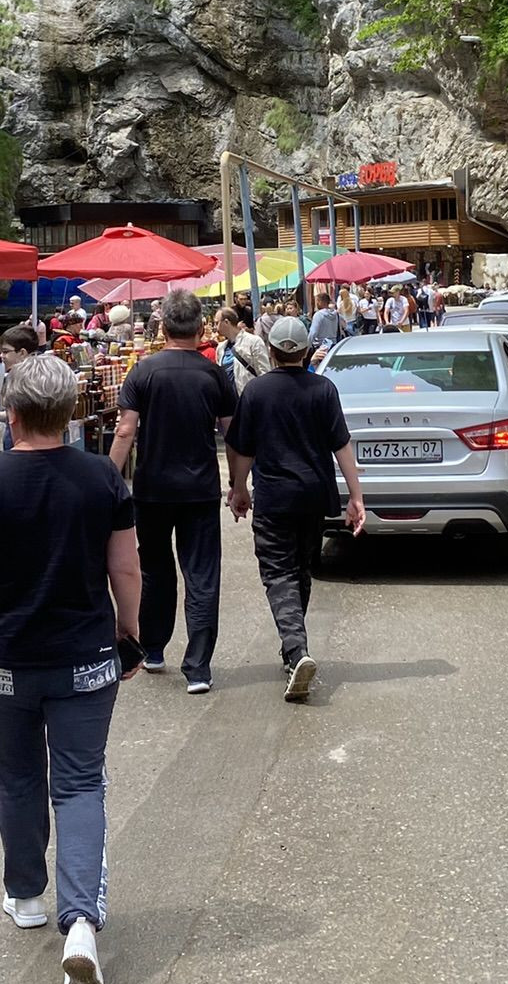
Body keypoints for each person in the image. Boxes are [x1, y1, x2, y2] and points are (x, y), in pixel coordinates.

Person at [0, 353, 140, 984]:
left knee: (16, 778)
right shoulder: (103, 479)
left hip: (3, 662)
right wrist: (129, 634)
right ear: (72, 412)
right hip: (83, 660)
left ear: (11, 413)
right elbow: (126, 569)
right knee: (79, 784)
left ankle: (25, 896)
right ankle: (81, 924)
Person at [224, 316, 367, 702]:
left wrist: (238, 489)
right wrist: (357, 497)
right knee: (300, 569)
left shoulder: (256, 392)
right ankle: (293, 651)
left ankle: (296, 649)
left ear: (270, 351)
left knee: (278, 573)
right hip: (314, 497)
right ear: (306, 353)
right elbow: (342, 445)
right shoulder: (323, 389)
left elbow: (243, 449)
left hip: (274, 497)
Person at [110, 289, 239, 693]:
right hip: (200, 489)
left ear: (162, 326)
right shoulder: (214, 374)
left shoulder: (143, 372)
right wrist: (239, 485)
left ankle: (153, 649)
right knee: (201, 574)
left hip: (152, 489)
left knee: (154, 569)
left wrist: (108, 482)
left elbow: (126, 430)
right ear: (201, 327)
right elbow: (232, 434)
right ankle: (198, 668)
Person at [214, 306, 272, 393]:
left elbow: (264, 373)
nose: (215, 327)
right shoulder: (221, 348)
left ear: (226, 322)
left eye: (217, 323)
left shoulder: (254, 342)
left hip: (250, 399)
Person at [308, 290, 343, 362]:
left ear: (321, 302)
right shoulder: (336, 314)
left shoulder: (319, 315)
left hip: (321, 347)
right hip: (333, 345)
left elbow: (313, 332)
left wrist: (307, 346)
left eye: (317, 301)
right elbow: (343, 326)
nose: (316, 303)